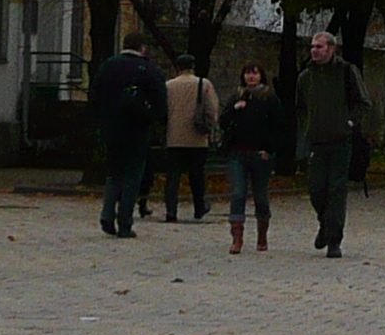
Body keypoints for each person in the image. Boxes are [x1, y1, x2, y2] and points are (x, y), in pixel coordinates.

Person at [296, 28, 369, 256]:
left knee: (336, 190)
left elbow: (362, 103)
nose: (314, 51)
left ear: (331, 48)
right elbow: (300, 109)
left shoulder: (346, 72)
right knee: (316, 189)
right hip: (316, 142)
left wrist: (348, 123)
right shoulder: (306, 77)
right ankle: (325, 226)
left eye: (319, 47)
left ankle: (334, 240)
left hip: (340, 141)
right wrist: (304, 134)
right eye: (313, 47)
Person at [87, 34, 168, 240]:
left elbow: (94, 97)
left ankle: (107, 213)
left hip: (111, 129)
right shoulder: (149, 70)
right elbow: (161, 106)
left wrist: (103, 120)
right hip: (137, 130)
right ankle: (125, 223)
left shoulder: (108, 66)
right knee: (133, 176)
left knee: (114, 173)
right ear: (142, 48)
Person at [152, 48, 220, 223]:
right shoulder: (204, 84)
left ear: (177, 67)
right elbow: (212, 111)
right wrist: (209, 127)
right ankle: (199, 207)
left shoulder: (168, 86)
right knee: (197, 174)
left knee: (173, 175)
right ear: (193, 66)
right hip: (197, 139)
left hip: (174, 137)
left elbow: (161, 111)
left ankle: (171, 211)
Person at [220, 62, 280, 253]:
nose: (251, 77)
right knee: (238, 193)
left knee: (260, 195)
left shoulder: (269, 98)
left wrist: (269, 149)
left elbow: (279, 125)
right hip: (237, 153)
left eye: (255, 73)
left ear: (261, 76)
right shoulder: (237, 96)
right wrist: (234, 109)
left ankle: (262, 235)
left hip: (259, 154)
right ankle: (237, 238)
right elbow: (223, 122)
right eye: (248, 73)